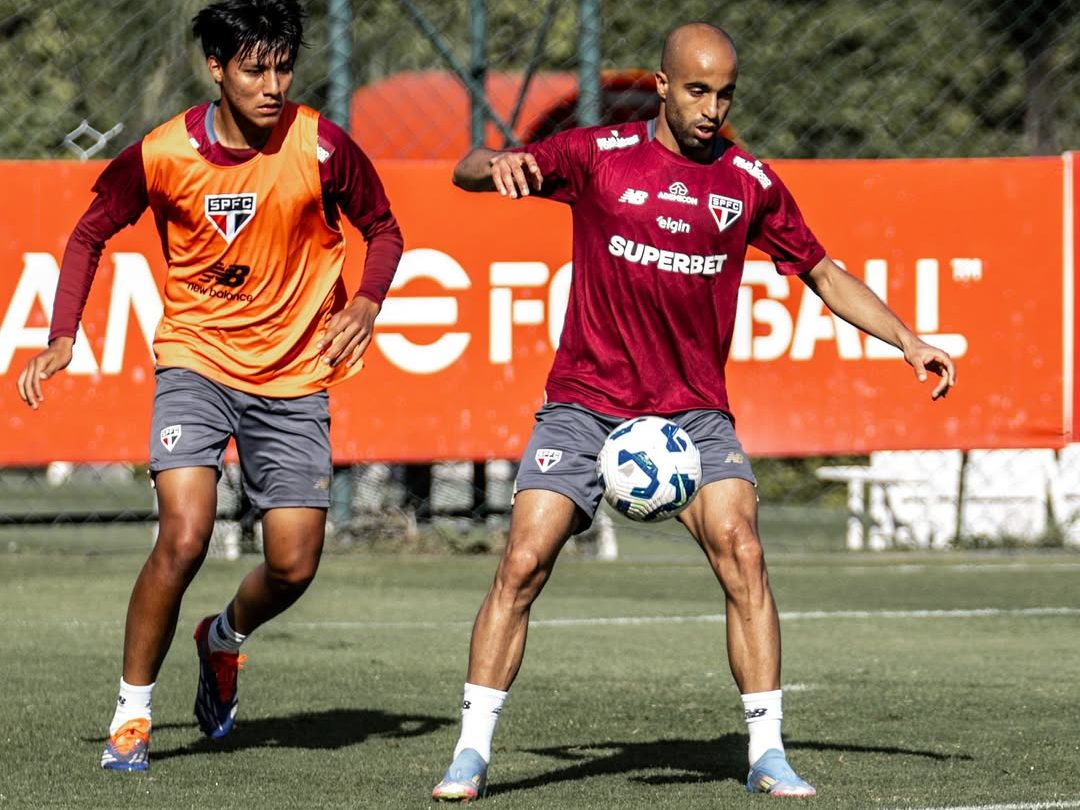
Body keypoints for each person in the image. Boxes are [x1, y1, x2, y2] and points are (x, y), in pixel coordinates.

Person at [432, 22, 956, 801]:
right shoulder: (597, 157)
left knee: (743, 550)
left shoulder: (748, 182)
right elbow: (465, 172)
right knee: (522, 559)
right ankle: (471, 752)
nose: (713, 108)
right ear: (665, 85)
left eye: (726, 94)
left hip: (691, 419)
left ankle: (767, 752)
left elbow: (822, 272)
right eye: (700, 90)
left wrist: (907, 339)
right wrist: (497, 165)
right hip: (584, 403)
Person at [15, 0, 403, 772]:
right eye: (254, 69)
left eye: (283, 68)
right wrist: (63, 336)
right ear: (216, 68)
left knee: (294, 564)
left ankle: (222, 638)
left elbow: (385, 229)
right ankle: (133, 714)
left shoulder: (321, 146)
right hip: (195, 361)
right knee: (185, 534)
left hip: (294, 374)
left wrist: (365, 301)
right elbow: (90, 230)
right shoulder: (163, 154)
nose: (272, 85)